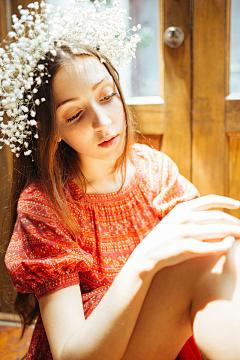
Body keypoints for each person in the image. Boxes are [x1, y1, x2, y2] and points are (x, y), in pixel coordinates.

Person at [2, 1, 240, 360]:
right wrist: (145, 259)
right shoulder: (44, 205)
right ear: (51, 132)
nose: (103, 122)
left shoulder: (152, 169)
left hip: (163, 339)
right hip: (96, 350)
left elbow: (214, 256)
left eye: (107, 95)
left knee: (219, 248)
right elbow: (71, 354)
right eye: (76, 114)